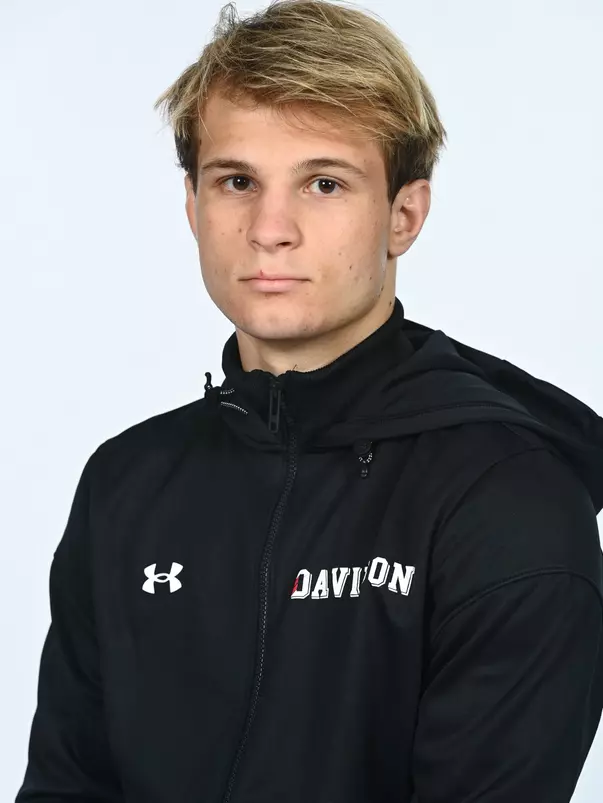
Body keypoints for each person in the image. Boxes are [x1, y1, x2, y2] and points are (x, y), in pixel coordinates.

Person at [16, 1, 603, 801]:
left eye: (323, 183)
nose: (269, 228)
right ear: (192, 207)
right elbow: (66, 783)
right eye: (235, 181)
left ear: (403, 214)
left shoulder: (505, 498)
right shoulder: (128, 481)